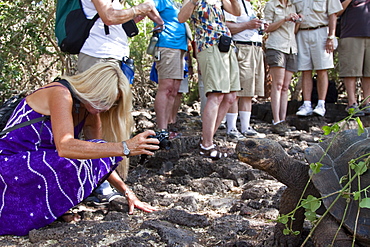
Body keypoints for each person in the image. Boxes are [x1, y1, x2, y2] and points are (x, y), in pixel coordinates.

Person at [0, 63, 159, 236]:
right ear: (93, 87)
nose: (104, 108)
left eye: (111, 104)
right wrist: (125, 147)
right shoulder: (60, 93)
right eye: (104, 99)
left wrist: (128, 192)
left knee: (94, 151)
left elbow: (99, 156)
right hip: (9, 164)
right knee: (74, 159)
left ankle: (51, 211)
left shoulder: (89, 110)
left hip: (35, 165)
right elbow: (65, 146)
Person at [77, 0, 164, 205]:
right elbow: (108, 16)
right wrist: (139, 8)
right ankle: (97, 180)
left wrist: (135, 16)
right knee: (94, 117)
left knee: (116, 118)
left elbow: (115, 21)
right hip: (97, 56)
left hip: (119, 57)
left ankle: (111, 176)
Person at [178, 0, 241, 159]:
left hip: (227, 46)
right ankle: (207, 145)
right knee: (216, 95)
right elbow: (181, 18)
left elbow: (237, 12)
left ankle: (206, 140)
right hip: (208, 45)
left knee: (231, 96)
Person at [224, 0, 267, 140]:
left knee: (249, 91)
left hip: (255, 49)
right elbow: (226, 27)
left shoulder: (249, 5)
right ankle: (231, 128)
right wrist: (248, 25)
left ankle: (246, 127)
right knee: (236, 89)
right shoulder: (232, 3)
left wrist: (259, 27)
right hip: (241, 48)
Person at [293, 0, 342, 117]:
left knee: (322, 69)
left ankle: (321, 104)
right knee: (305, 70)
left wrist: (331, 36)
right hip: (302, 33)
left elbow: (333, 14)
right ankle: (306, 104)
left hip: (321, 31)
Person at [152, 0, 188, 140]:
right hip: (166, 44)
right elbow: (148, 7)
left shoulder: (177, 3)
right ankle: (161, 129)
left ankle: (167, 127)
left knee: (174, 89)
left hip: (180, 47)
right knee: (166, 87)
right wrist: (159, 21)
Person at [264, 0, 299, 135]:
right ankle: (276, 120)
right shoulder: (271, 5)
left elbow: (294, 31)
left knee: (285, 86)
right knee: (277, 85)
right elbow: (267, 27)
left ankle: (282, 120)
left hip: (291, 47)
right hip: (276, 46)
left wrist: (297, 22)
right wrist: (284, 19)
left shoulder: (293, 5)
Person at [337, 0, 370, 117]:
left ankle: (367, 103)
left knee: (368, 72)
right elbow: (336, 12)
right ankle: (352, 103)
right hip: (351, 33)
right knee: (351, 71)